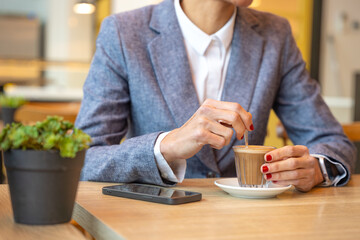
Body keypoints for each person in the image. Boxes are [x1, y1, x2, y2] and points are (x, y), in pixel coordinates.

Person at [75, 0, 356, 192]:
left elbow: (332, 141)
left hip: (249, 226)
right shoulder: (123, 33)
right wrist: (166, 146)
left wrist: (316, 168)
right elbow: (82, 157)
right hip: (155, 225)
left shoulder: (276, 34)